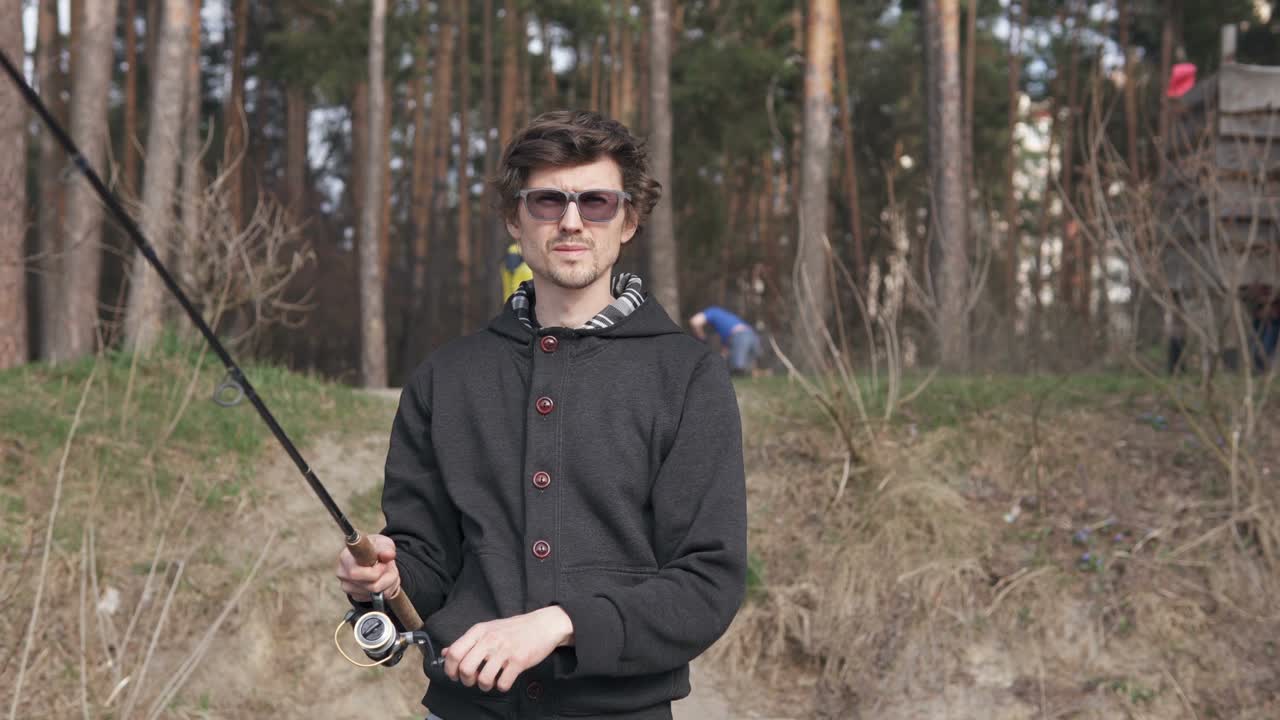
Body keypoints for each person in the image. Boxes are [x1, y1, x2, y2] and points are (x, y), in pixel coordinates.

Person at [336, 110, 747, 720]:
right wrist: (388, 582)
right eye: (548, 201)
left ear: (628, 219)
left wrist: (560, 624)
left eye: (597, 202)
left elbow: (706, 582)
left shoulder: (688, 377)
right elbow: (428, 563)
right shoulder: (444, 378)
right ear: (514, 218)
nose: (573, 221)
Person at [689, 306, 763, 377]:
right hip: (753, 335)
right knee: (749, 369)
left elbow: (694, 321)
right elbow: (724, 353)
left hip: (740, 336)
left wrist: (701, 337)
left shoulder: (714, 311)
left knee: (738, 369)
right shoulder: (725, 327)